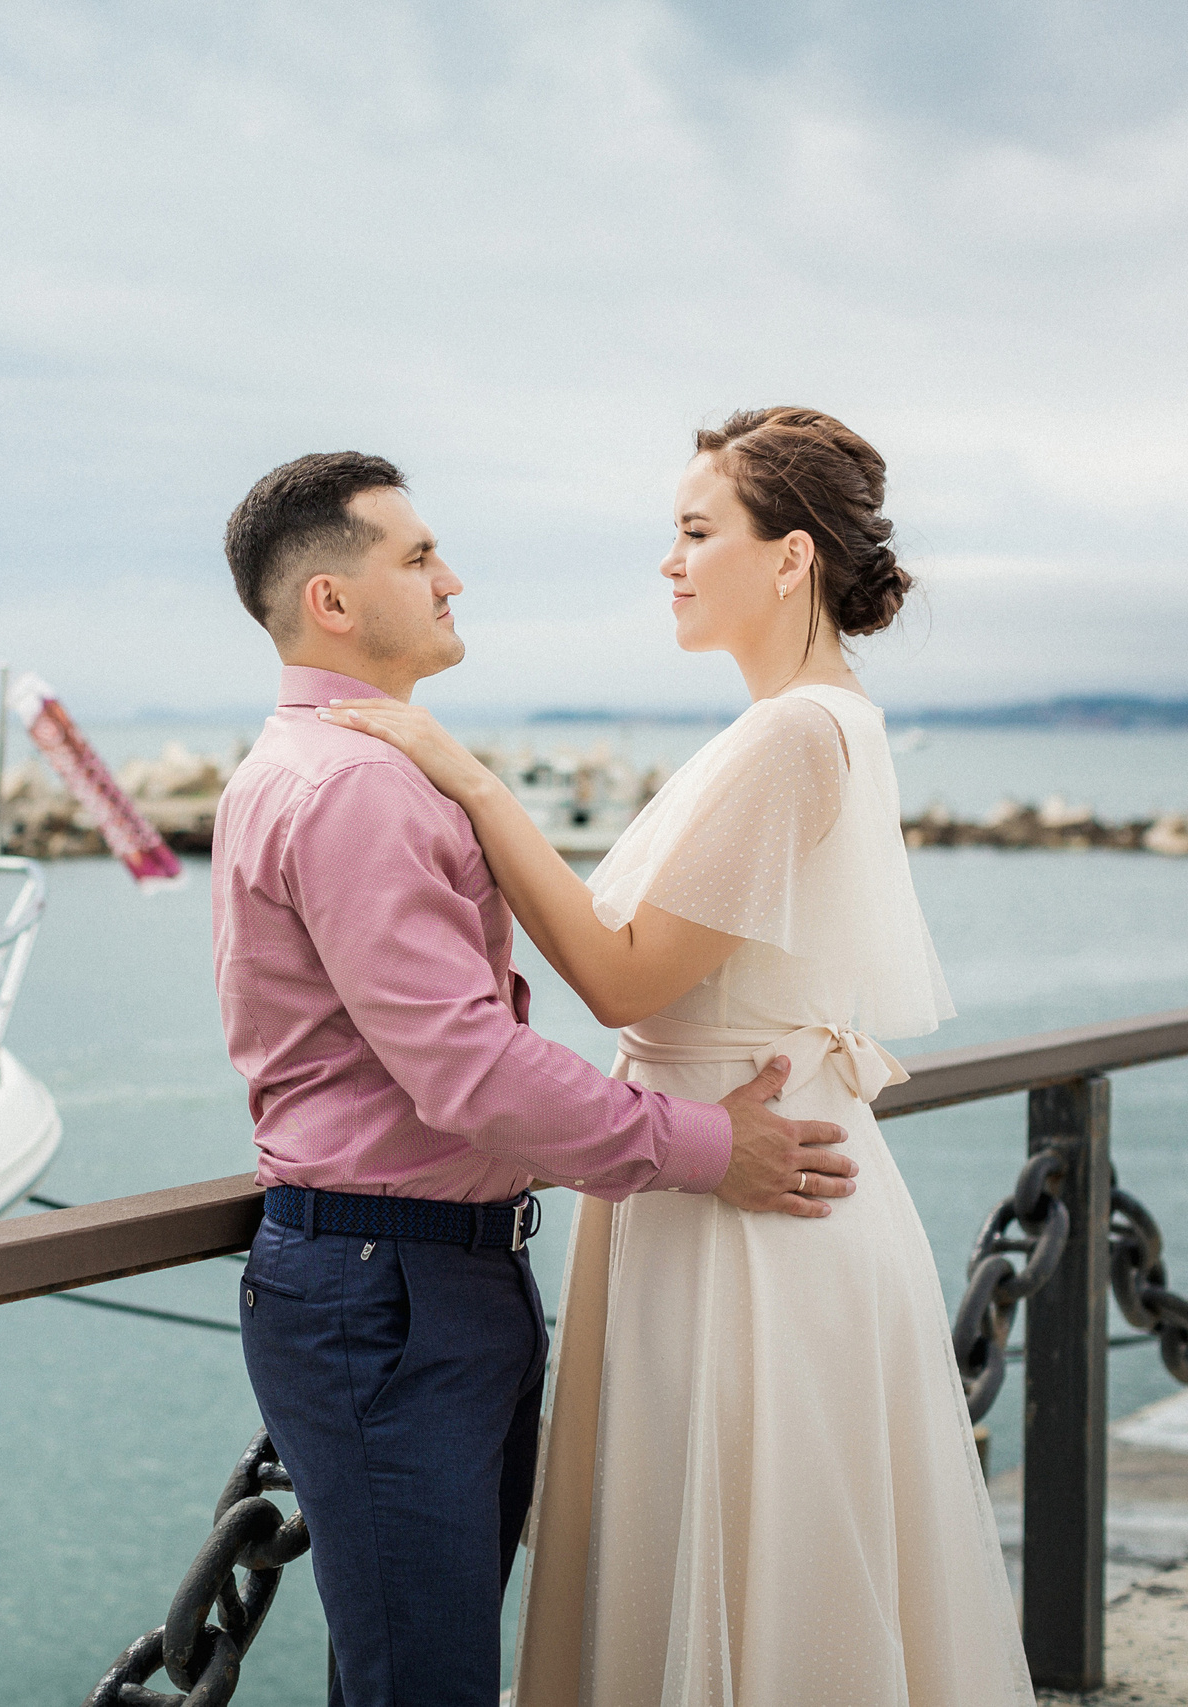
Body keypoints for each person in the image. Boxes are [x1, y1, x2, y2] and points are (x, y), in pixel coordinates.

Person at [325, 409, 1032, 1704]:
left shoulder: (789, 735)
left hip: (744, 1199)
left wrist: (471, 785)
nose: (670, 559)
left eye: (698, 531)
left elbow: (621, 972)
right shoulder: (821, 720)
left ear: (790, 558)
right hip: (747, 1167)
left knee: (744, 1570)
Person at [212, 451, 862, 1707]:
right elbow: (468, 1070)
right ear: (333, 603)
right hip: (389, 1285)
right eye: (415, 557)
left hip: (419, 1274)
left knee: (420, 1668)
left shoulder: (346, 765)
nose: (451, 578)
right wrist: (711, 1148)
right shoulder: (350, 785)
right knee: (428, 1683)